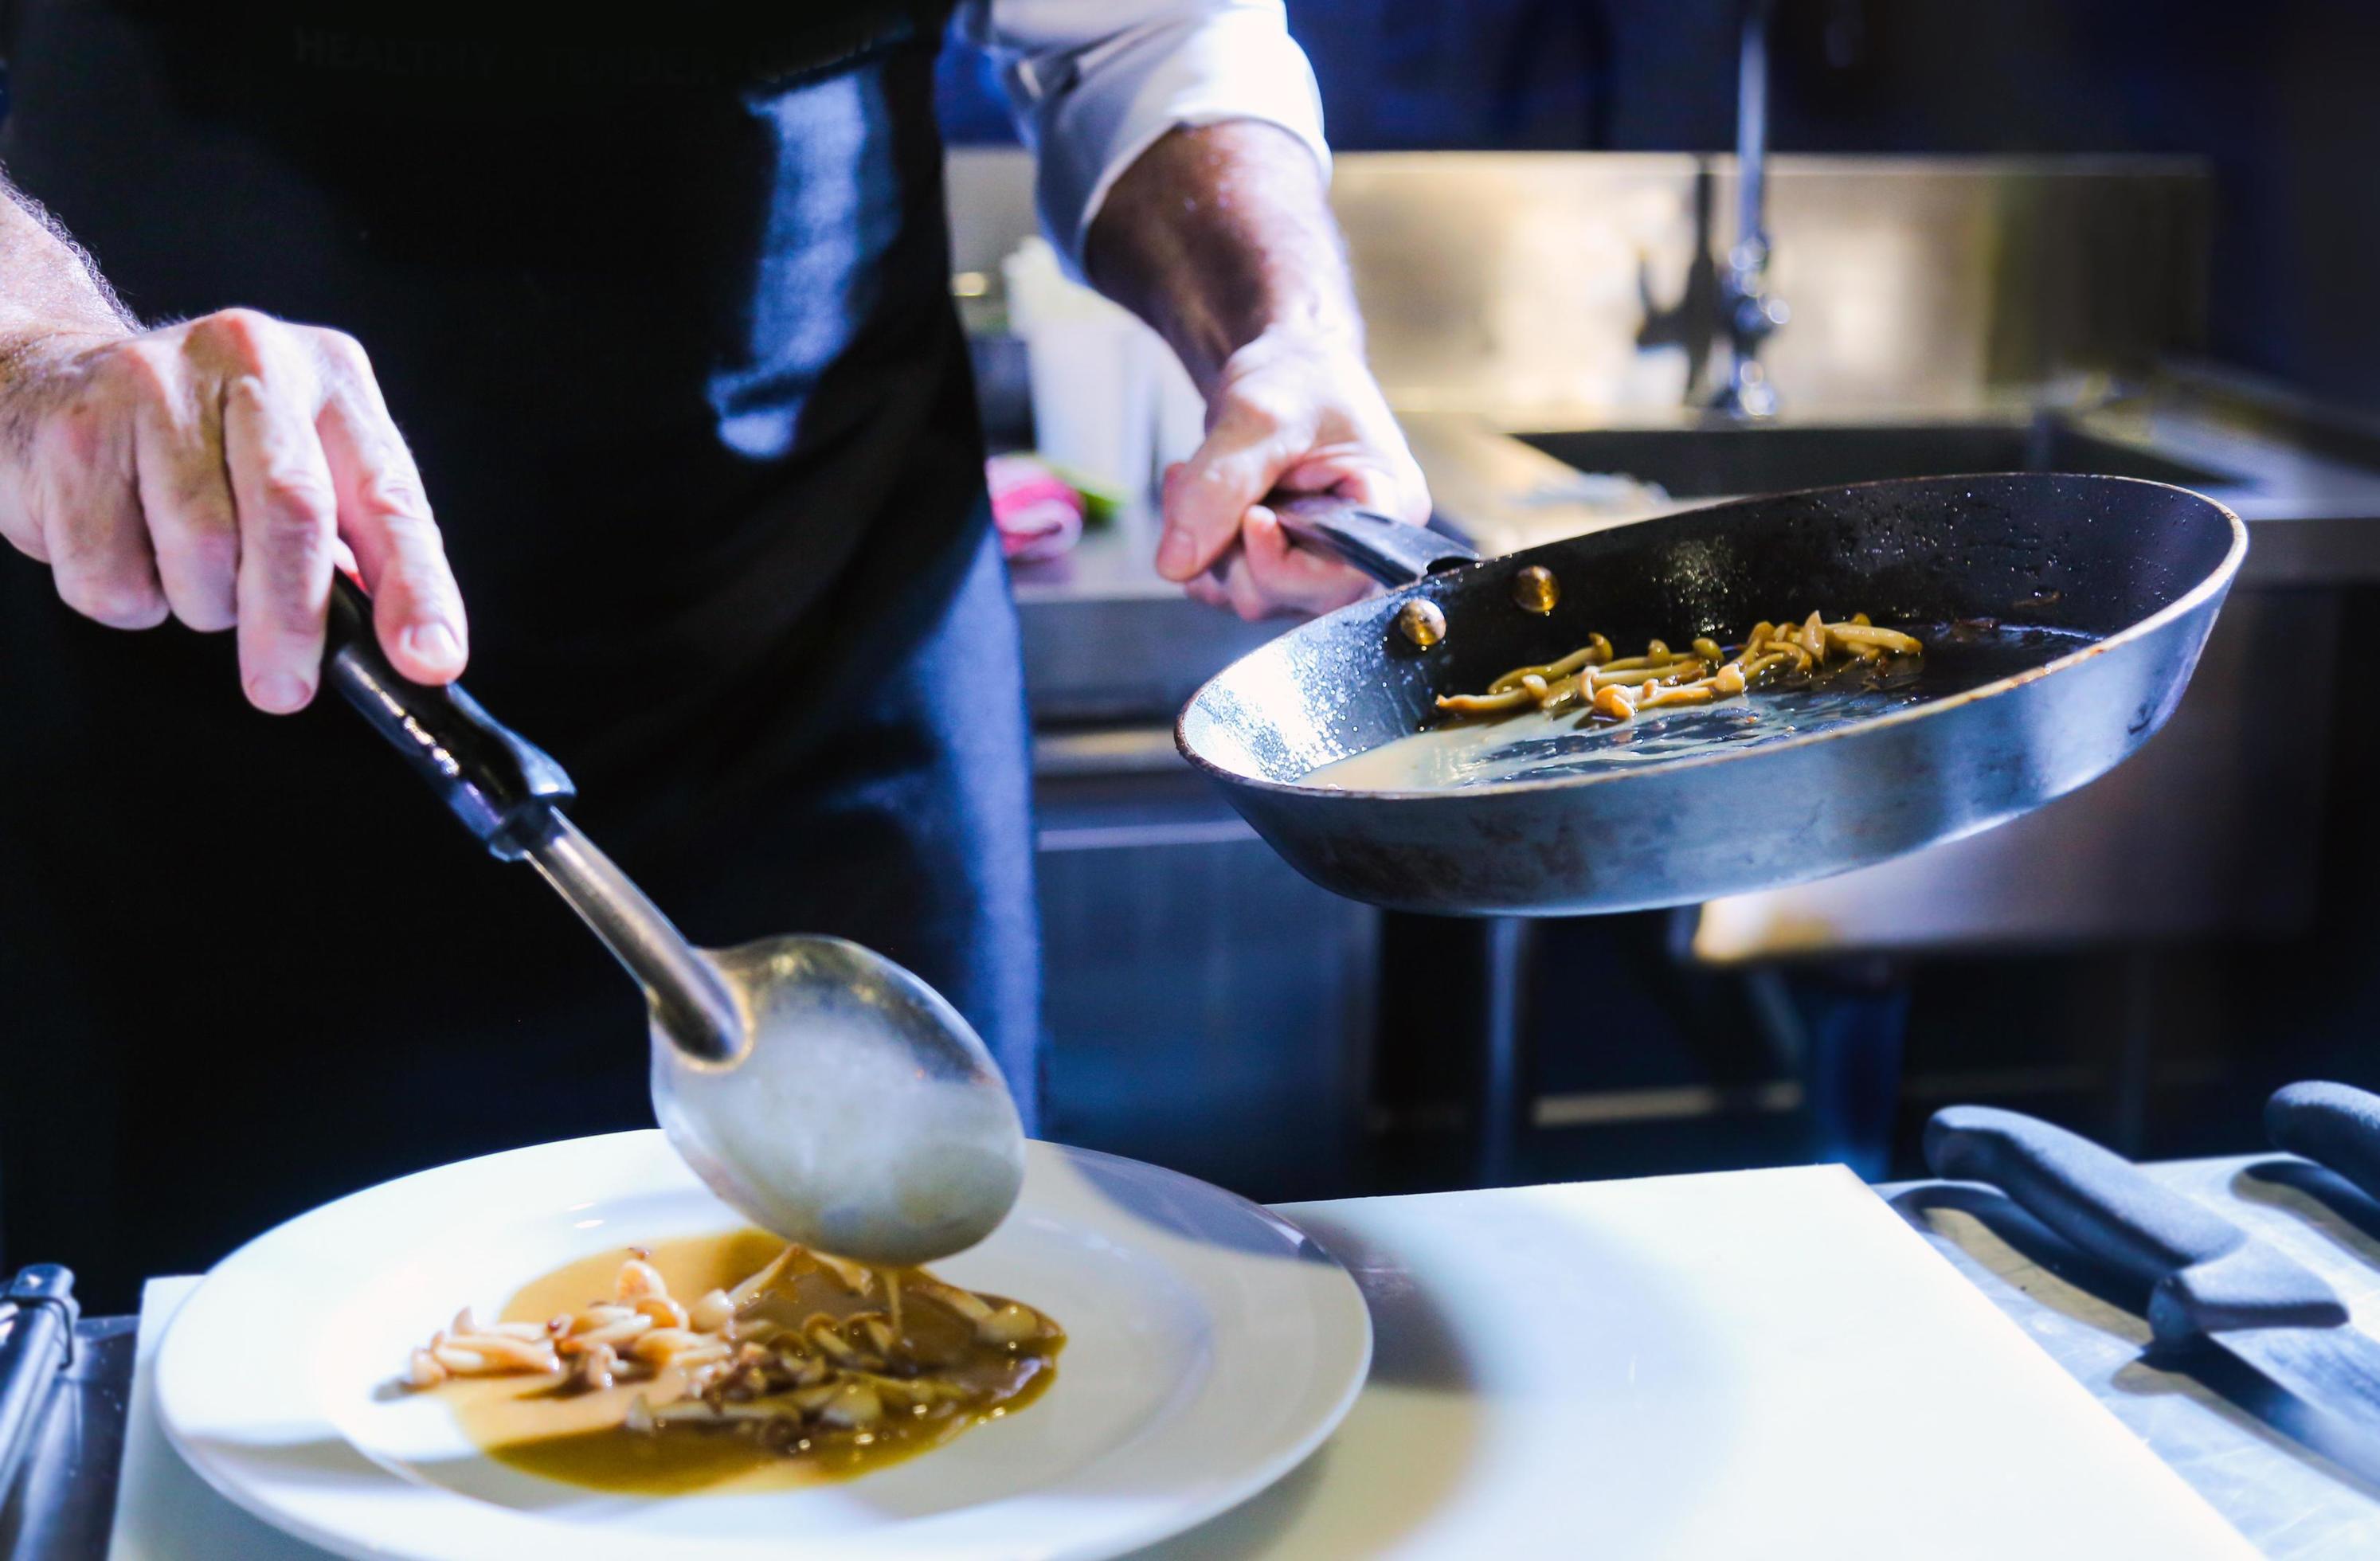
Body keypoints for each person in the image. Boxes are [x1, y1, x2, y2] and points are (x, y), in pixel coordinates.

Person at [0, 2, 1428, 1307]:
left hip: (820, 654)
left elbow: (1133, 35)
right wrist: (35, 357)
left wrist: (1281, 332)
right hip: (166, 677)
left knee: (931, 1364)